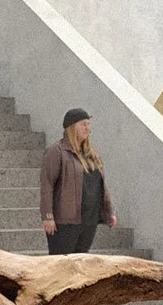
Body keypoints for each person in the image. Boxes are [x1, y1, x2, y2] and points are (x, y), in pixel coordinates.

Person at [40, 107, 115, 254]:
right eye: (83, 124)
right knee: (62, 263)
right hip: (65, 221)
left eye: (89, 124)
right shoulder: (57, 152)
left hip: (89, 220)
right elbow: (47, 184)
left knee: (80, 264)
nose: (88, 128)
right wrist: (47, 216)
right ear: (71, 128)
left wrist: (110, 211)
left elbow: (101, 186)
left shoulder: (91, 154)